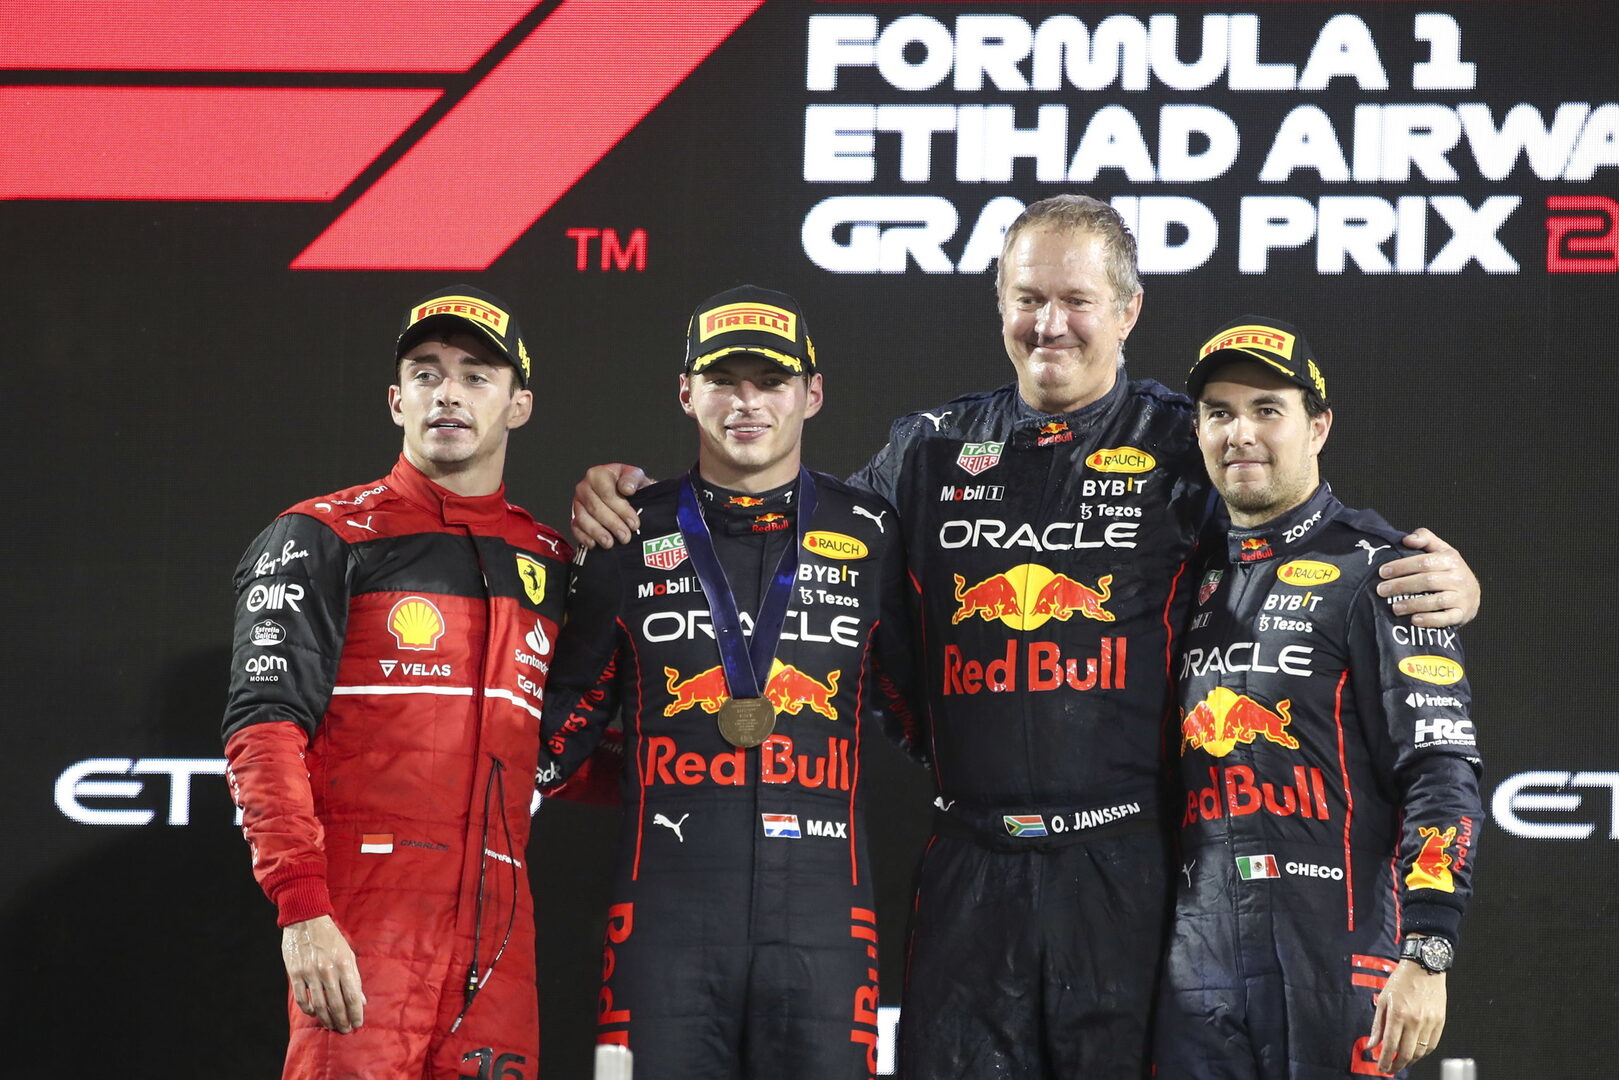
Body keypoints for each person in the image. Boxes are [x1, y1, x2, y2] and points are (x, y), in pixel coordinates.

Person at [568, 195, 1480, 1079]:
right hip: (969, 860)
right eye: (1028, 297)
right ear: (998, 303)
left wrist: (1437, 579)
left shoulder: (1185, 440)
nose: (1050, 325)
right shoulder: (929, 449)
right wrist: (637, 504)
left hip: (1127, 866)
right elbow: (789, 537)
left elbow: (1288, 528)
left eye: (1076, 300)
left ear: (1127, 311)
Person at [222, 285, 609, 1080]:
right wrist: (302, 907)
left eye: (475, 376)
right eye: (426, 374)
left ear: (519, 406)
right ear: (397, 400)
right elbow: (263, 730)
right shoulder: (323, 535)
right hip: (366, 913)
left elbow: (557, 754)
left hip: (500, 928)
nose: (448, 394)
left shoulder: (551, 562)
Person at [538, 285, 922, 1079]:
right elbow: (548, 738)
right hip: (661, 925)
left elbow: (934, 717)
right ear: (686, 393)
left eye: (771, 382)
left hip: (826, 923)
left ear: (812, 394)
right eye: (722, 381)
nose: (746, 403)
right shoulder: (625, 530)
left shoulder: (871, 534)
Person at [1155, 317, 1481, 1079]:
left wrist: (1427, 952)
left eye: (1267, 409)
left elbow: (1440, 774)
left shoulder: (1386, 573)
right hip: (1193, 967)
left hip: (1338, 960)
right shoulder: (1175, 575)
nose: (1240, 433)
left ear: (1318, 426)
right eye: (1219, 413)